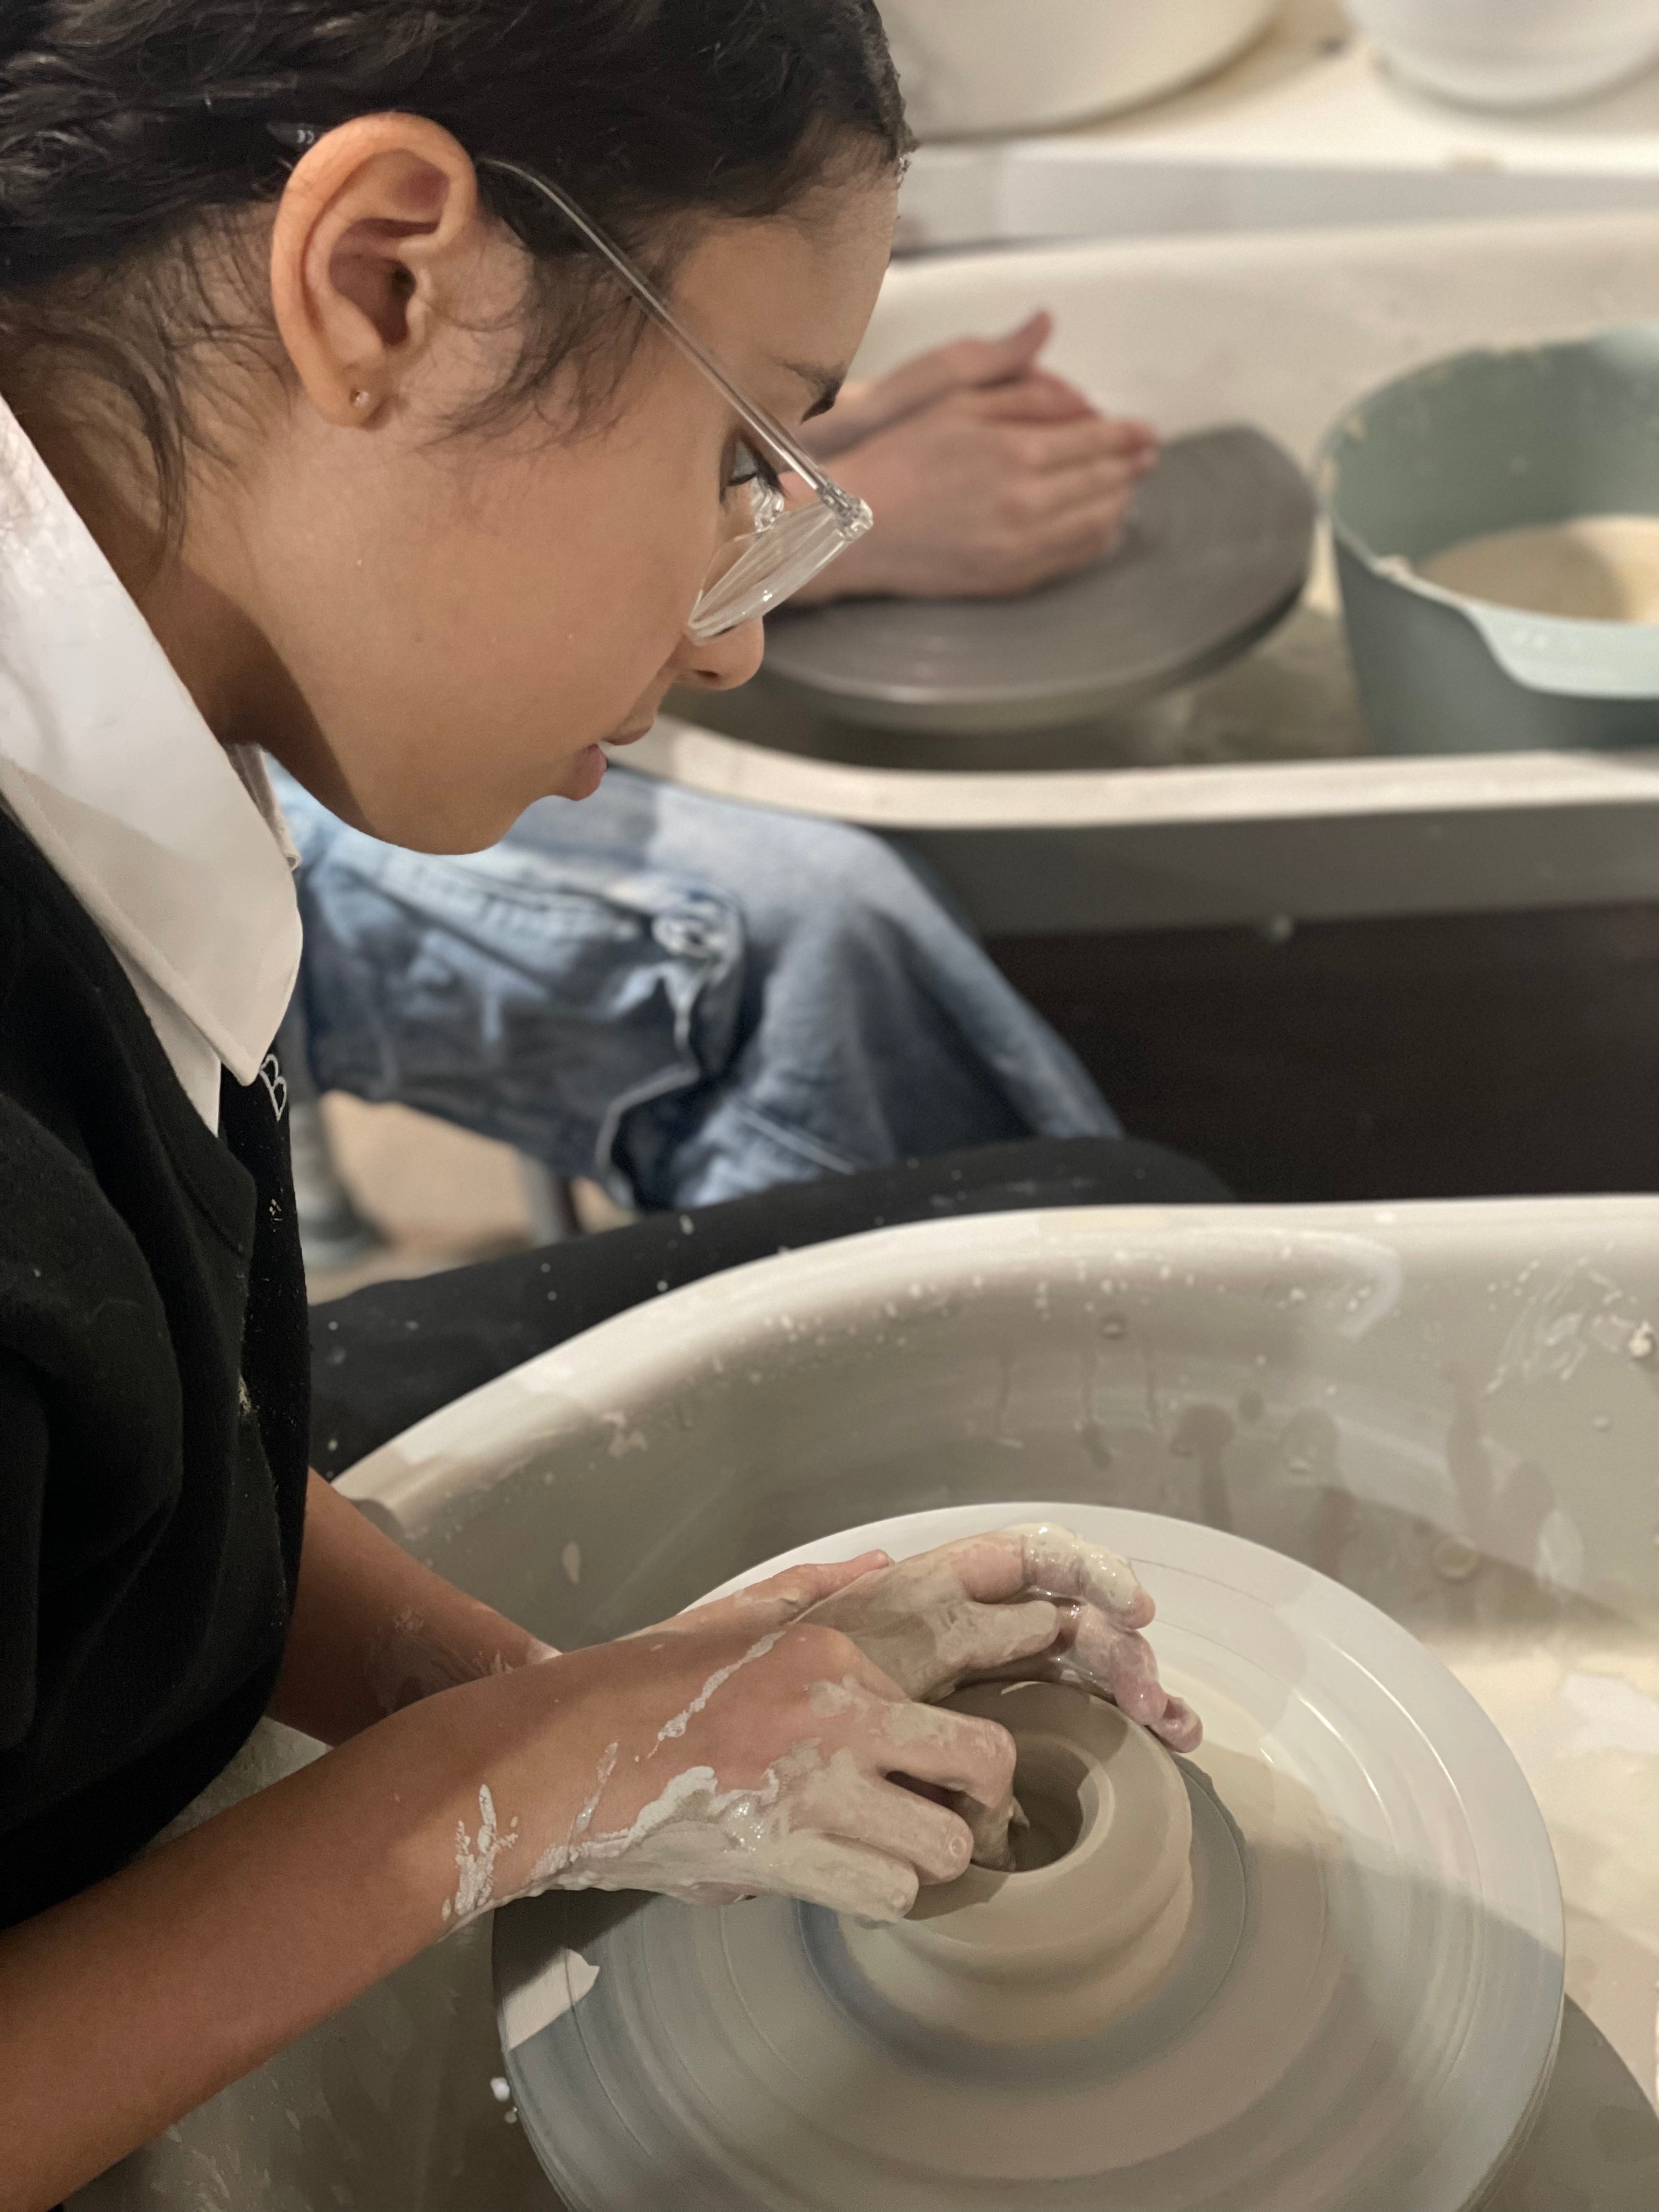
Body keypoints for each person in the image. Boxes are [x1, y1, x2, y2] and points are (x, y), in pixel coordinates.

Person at [0, 7, 1218, 2204]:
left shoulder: (124, 737)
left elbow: (153, 1471)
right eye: (751, 452)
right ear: (386, 278)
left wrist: (624, 1706)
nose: (744, 626)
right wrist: (519, 1773)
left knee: (1089, 1184)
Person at [278, 314, 1159, 1215]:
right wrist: (841, 518)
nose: (739, 656)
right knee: (818, 922)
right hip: (266, 796)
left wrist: (820, 434)